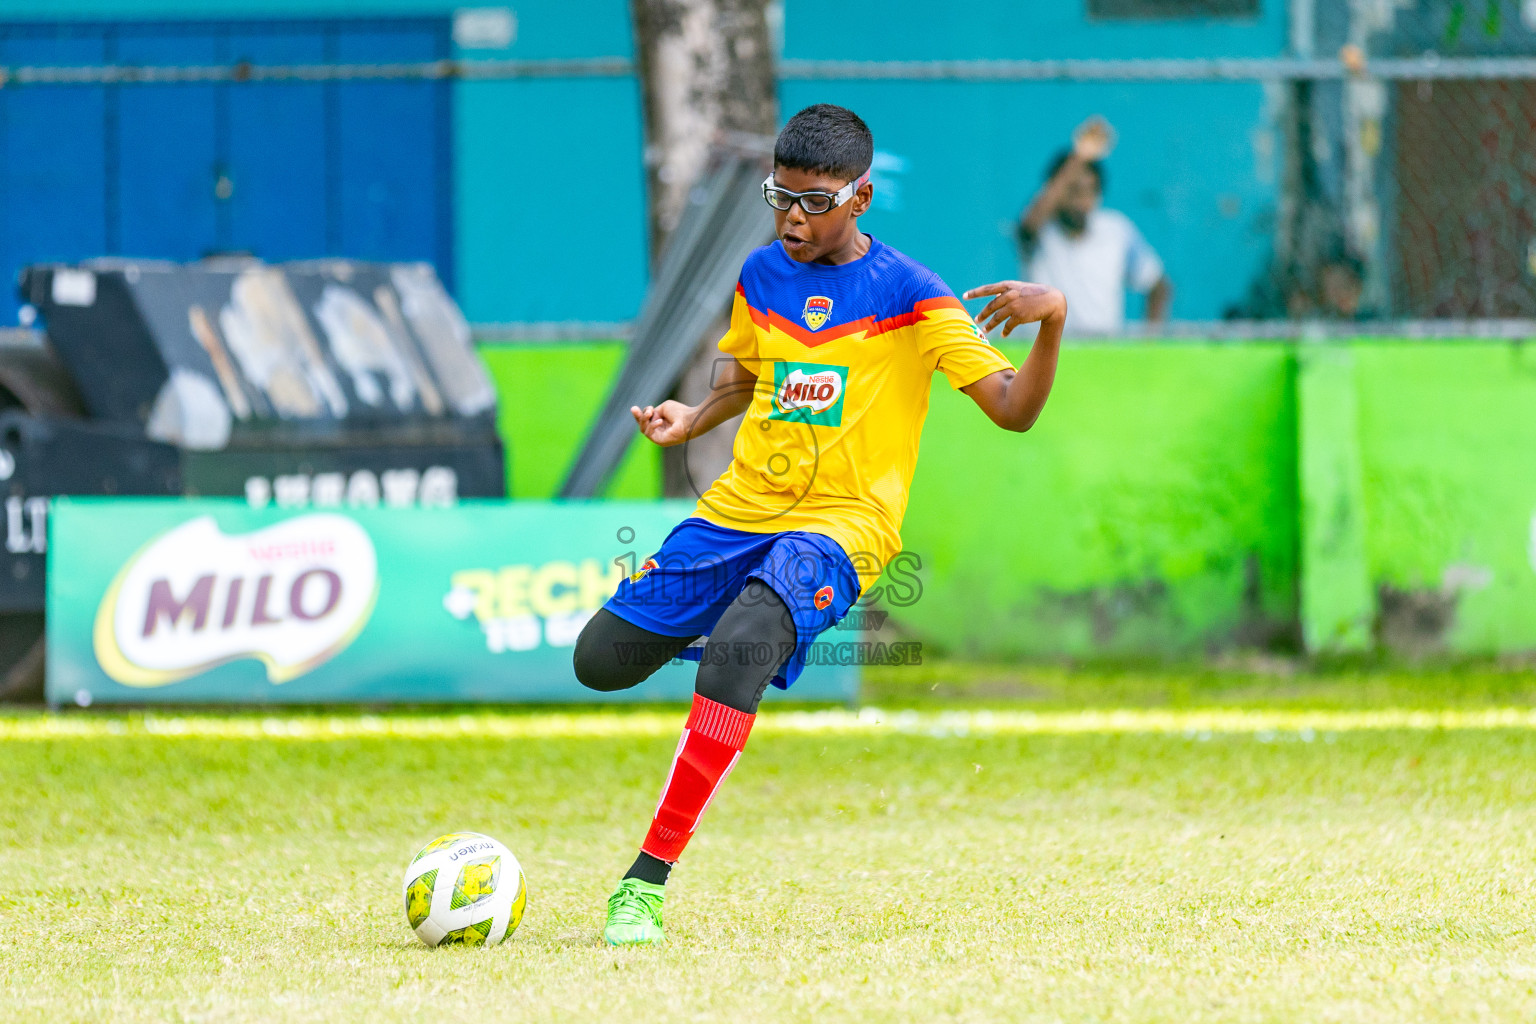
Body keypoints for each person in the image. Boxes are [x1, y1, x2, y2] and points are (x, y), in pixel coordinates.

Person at [572, 103, 1066, 946]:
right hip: (737, 511)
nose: (793, 218)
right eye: (781, 196)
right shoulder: (761, 274)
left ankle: (645, 882)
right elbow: (743, 376)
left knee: (743, 641)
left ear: (862, 197)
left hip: (846, 524)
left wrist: (1052, 318)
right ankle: (739, 644)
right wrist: (692, 418)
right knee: (601, 661)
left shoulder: (912, 294)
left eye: (815, 200)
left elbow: (1015, 411)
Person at [1018, 116, 1170, 334]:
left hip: (1104, 357)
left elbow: (1158, 285)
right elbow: (1029, 226)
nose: (1083, 200)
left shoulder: (1117, 231)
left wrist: (1151, 343)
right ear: (1056, 192)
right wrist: (1079, 156)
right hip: (1046, 357)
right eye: (1074, 191)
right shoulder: (1041, 232)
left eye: (1091, 191)